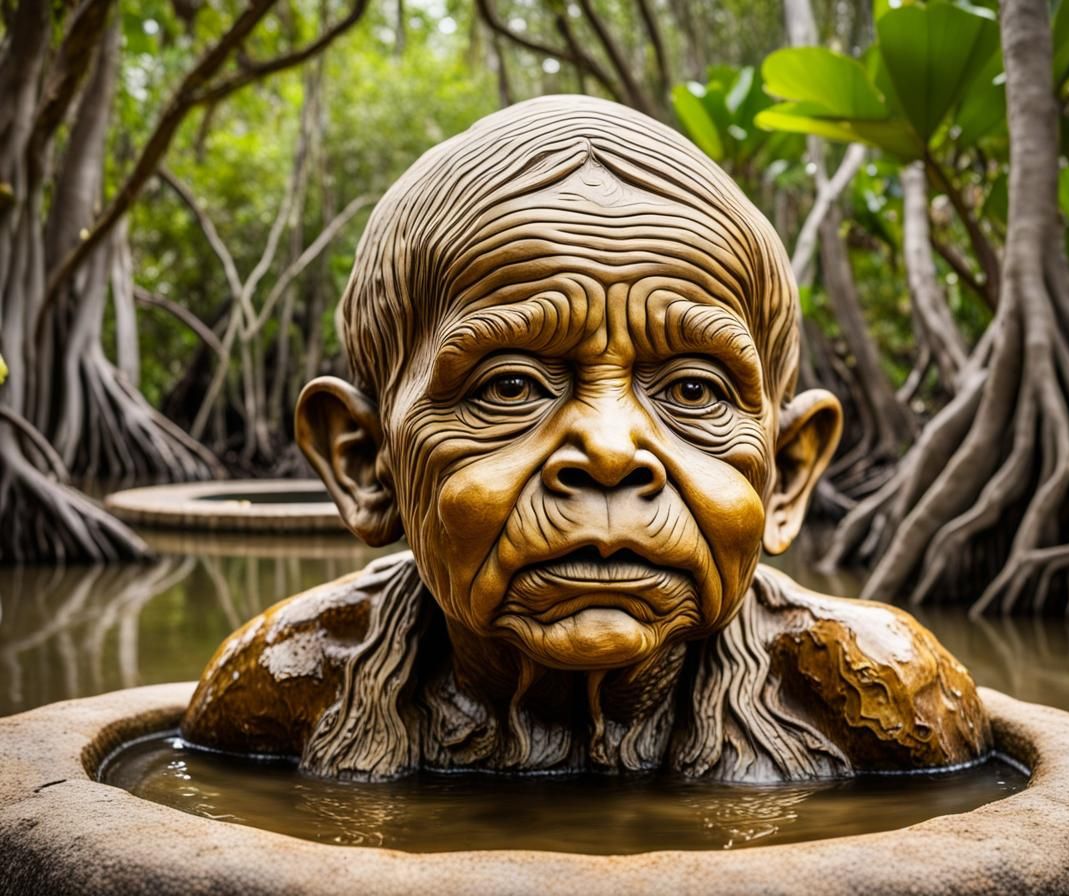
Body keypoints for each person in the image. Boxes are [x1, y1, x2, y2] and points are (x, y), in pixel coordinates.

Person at [181, 95, 989, 782]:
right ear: (366, 463)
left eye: (694, 391)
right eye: (509, 387)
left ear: (785, 473)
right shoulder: (283, 691)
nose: (609, 450)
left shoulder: (873, 698)